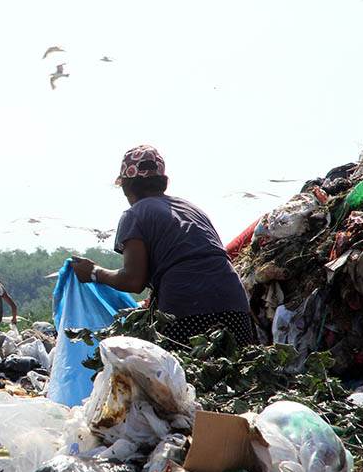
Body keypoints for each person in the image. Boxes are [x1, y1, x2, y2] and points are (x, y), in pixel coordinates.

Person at [70, 145, 255, 346]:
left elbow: (133, 280)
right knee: (234, 363)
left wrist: (94, 273)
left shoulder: (135, 214)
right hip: (235, 303)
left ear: (127, 186)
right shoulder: (191, 209)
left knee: (184, 366)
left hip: (188, 307)